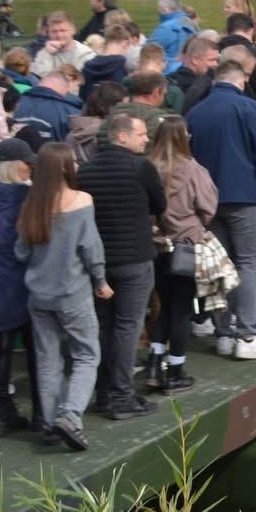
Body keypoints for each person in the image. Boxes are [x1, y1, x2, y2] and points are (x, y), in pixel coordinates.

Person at [14, 144, 108, 452]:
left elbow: (21, 252)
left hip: (38, 296)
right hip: (73, 293)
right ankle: (69, 416)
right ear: (65, 167)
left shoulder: (32, 204)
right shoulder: (82, 200)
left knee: (48, 360)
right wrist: (100, 280)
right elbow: (91, 248)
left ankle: (50, 422)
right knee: (86, 355)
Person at [186, 59, 256, 362]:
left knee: (218, 267)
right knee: (249, 264)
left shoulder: (196, 112)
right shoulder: (249, 108)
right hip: (247, 197)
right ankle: (247, 335)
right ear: (241, 81)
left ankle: (224, 332)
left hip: (208, 202)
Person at [74, 112, 165, 419]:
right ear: (122, 136)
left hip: (98, 261)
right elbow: (160, 205)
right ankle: (122, 395)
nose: (146, 139)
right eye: (141, 134)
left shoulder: (86, 169)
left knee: (104, 326)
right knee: (128, 327)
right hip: (135, 259)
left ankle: (103, 393)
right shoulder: (141, 167)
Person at [146, 119, 216, 393]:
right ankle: (175, 371)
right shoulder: (193, 169)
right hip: (186, 244)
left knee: (162, 305)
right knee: (182, 309)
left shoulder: (147, 167)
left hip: (155, 245)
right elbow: (208, 206)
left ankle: (154, 364)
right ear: (183, 137)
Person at [0, 138, 37, 438]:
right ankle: (41, 412)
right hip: (22, 278)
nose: (31, 167)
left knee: (0, 346)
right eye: (27, 162)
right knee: (35, 346)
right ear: (15, 166)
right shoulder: (25, 197)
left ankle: (2, 414)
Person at [146, 0, 199, 72]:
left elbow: (146, 52)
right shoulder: (191, 23)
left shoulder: (165, 28)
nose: (158, 14)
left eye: (159, 11)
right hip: (190, 69)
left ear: (165, 10)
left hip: (169, 72)